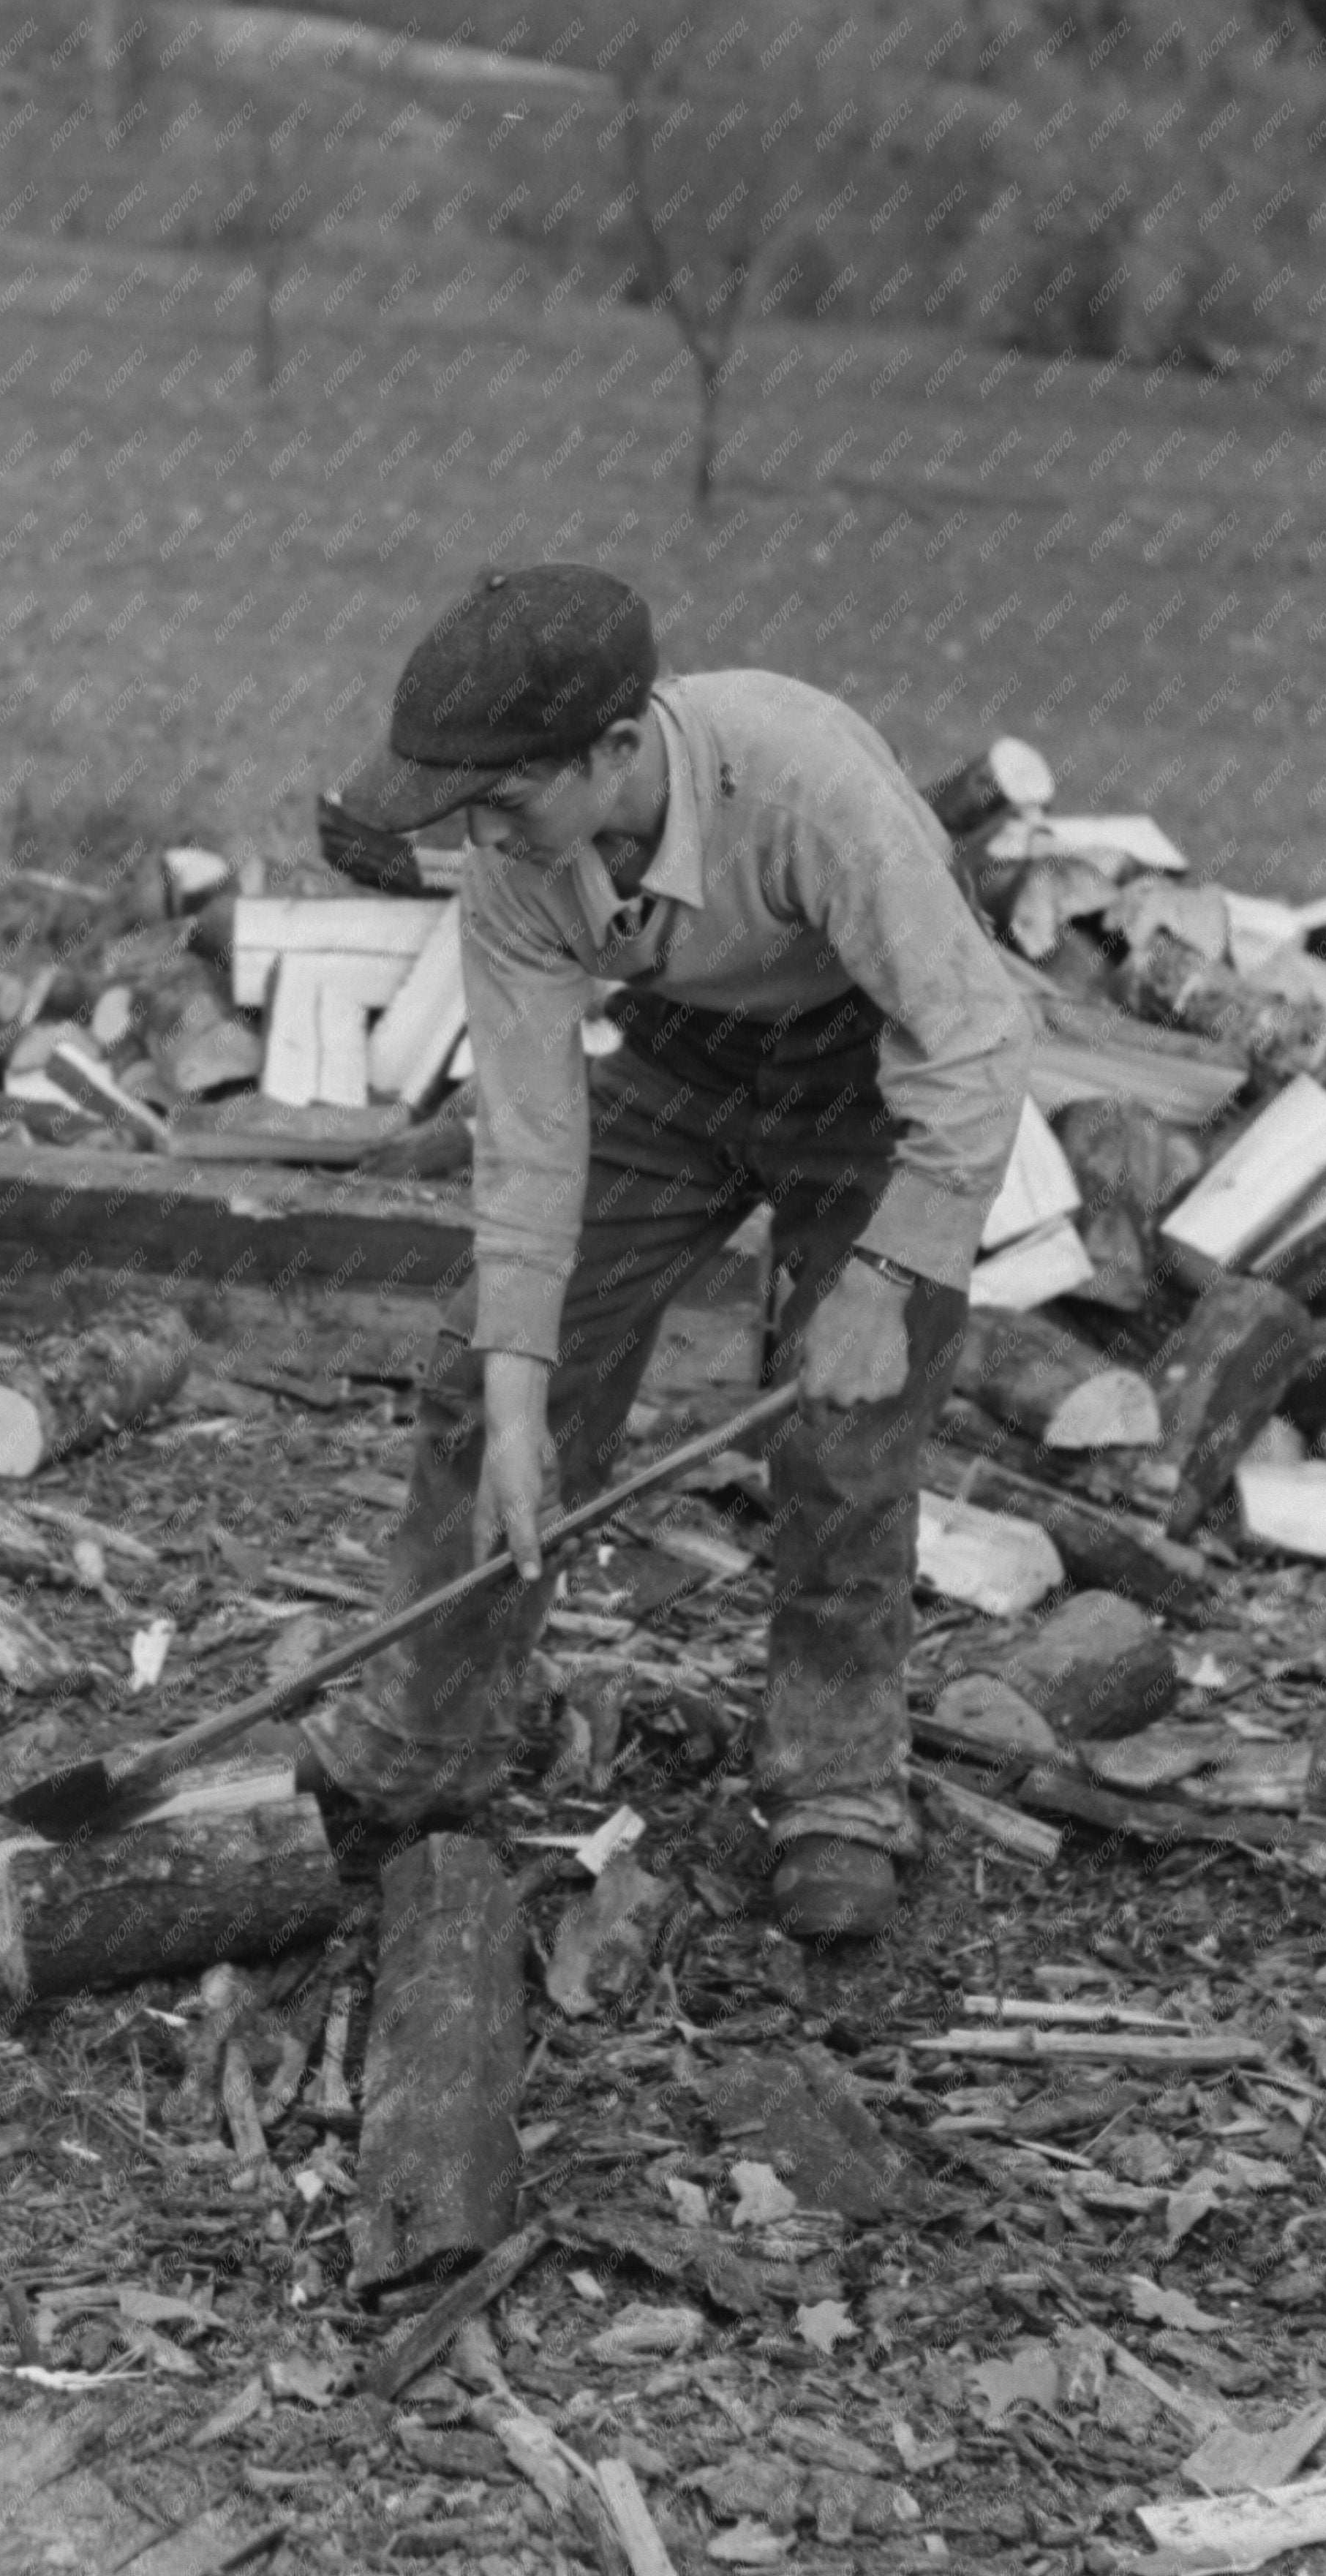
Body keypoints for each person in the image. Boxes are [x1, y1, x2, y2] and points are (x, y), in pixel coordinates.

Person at [304, 567, 1033, 1938]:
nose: (487, 834)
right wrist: (525, 1387)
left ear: (617, 750)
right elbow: (527, 1135)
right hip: (684, 1067)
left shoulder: (808, 789)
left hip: (868, 1069)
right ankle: (422, 1740)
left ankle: (834, 1785)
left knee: (847, 1432)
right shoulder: (521, 864)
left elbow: (977, 1041)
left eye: (510, 797)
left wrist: (888, 1279)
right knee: (486, 1385)